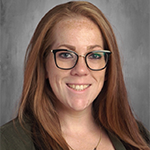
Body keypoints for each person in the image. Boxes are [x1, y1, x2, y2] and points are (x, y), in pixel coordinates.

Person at [0, 1, 150, 150]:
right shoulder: (7, 143)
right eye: (66, 54)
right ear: (43, 66)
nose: (81, 70)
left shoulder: (139, 138)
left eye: (95, 55)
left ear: (108, 69)